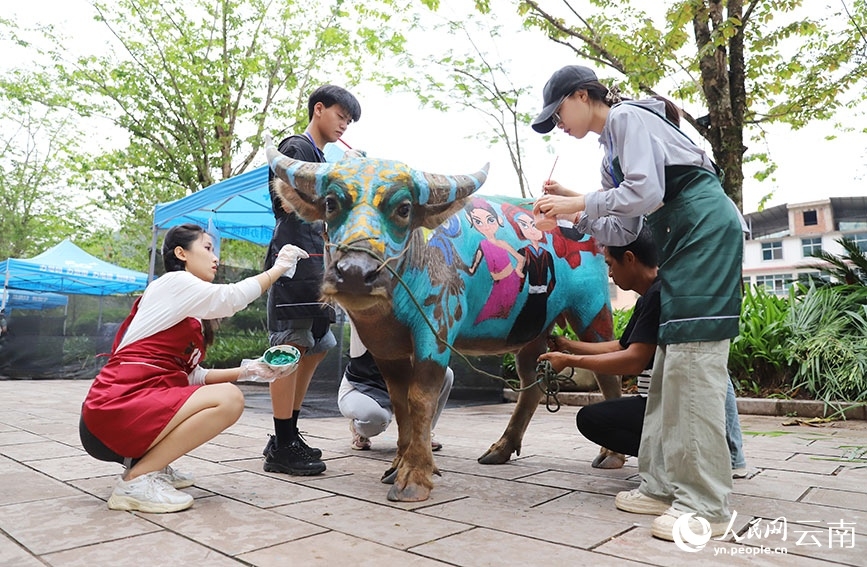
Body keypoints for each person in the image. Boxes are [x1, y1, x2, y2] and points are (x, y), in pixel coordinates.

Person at [531, 64, 744, 540]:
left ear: (585, 96)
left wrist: (579, 202)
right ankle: (663, 485)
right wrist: (571, 216)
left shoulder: (626, 118)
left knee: (692, 368)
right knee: (669, 371)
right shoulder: (610, 153)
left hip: (704, 233)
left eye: (559, 111)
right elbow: (624, 230)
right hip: (681, 240)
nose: (558, 124)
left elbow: (645, 192)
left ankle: (704, 506)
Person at [80, 223, 307, 513]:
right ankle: (136, 480)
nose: (216, 258)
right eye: (208, 248)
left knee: (227, 392)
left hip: (129, 412)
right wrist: (278, 269)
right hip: (114, 409)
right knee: (229, 399)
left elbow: (192, 376)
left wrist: (251, 370)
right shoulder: (172, 283)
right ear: (181, 253)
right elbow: (231, 298)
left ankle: (153, 466)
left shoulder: (190, 314)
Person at [538, 226, 747, 477]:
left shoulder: (660, 295)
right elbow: (622, 346)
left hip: (671, 403)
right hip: (663, 400)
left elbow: (634, 361)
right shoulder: (651, 294)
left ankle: (676, 455)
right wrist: (568, 345)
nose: (610, 274)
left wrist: (570, 360)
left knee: (591, 420)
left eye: (610, 264)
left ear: (629, 259)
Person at [262, 84, 362, 476]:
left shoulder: (319, 155)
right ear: (318, 109)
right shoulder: (296, 147)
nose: (344, 124)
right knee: (290, 345)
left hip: (319, 267)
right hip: (294, 264)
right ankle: (282, 442)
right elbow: (293, 201)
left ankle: (286, 433)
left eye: (349, 121)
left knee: (318, 344)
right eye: (341, 115)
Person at [339, 321, 453, 451]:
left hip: (400, 389)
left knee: (445, 374)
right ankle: (359, 430)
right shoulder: (364, 326)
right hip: (362, 389)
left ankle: (420, 433)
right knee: (376, 418)